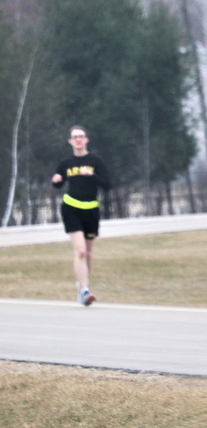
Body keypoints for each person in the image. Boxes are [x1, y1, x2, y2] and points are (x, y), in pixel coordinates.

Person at [51, 126, 112, 306]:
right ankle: (85, 291)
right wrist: (56, 180)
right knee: (81, 251)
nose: (78, 140)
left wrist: (91, 174)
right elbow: (58, 182)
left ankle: (82, 285)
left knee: (89, 253)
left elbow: (107, 185)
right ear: (70, 141)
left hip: (91, 210)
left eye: (81, 136)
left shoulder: (95, 161)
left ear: (87, 140)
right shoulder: (66, 162)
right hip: (71, 208)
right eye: (74, 137)